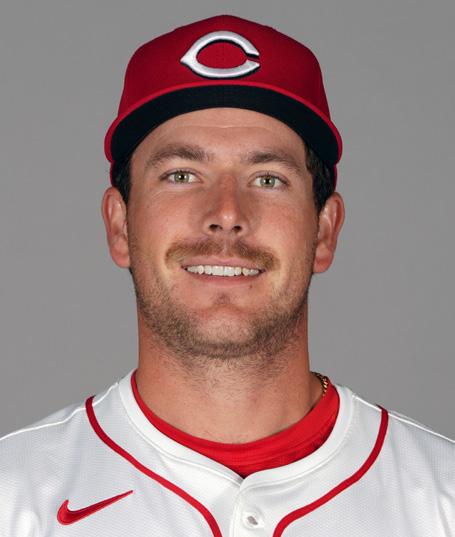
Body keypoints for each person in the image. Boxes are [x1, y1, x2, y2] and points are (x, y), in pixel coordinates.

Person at [0, 14, 453, 536]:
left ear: (324, 231)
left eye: (268, 178)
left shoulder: (443, 499)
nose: (227, 213)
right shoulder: (16, 498)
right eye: (181, 175)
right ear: (120, 225)